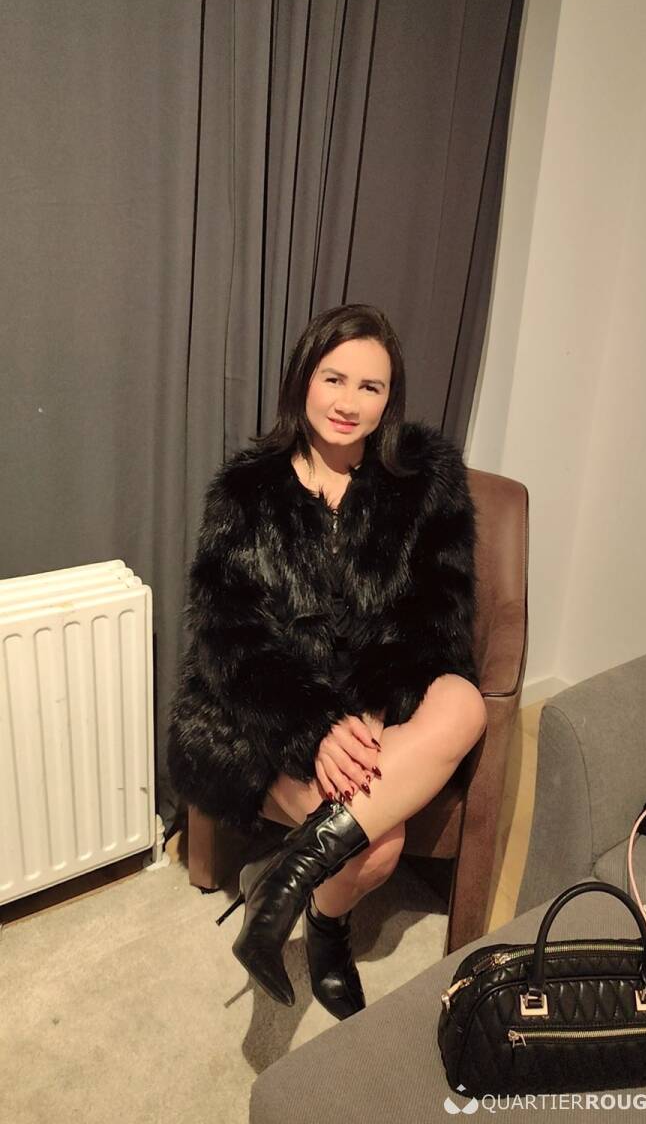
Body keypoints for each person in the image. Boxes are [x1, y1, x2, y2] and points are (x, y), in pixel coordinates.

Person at [168, 303, 487, 1020]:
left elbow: (438, 619)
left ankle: (282, 890)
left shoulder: (424, 480)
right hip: (264, 713)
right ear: (303, 381)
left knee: (464, 701)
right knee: (376, 849)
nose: (348, 402)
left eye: (370, 387)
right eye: (333, 378)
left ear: (389, 399)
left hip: (376, 703)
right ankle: (327, 927)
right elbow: (228, 640)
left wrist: (375, 711)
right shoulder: (247, 492)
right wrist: (314, 727)